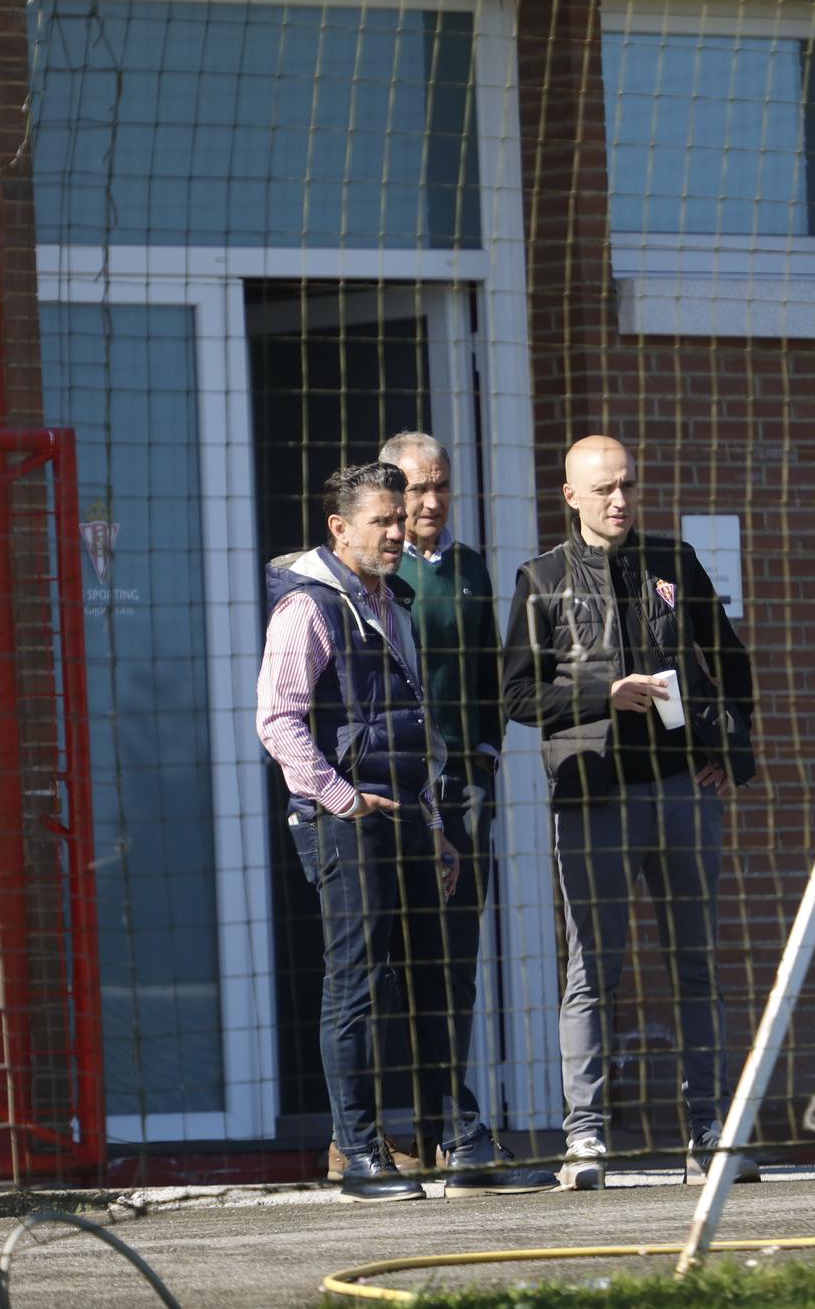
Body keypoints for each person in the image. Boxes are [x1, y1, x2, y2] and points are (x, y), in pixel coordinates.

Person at [258, 461, 554, 1202]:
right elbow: (278, 722)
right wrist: (341, 798)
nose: (398, 531)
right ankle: (358, 1152)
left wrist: (436, 827)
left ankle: (462, 1144)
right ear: (340, 528)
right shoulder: (309, 608)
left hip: (410, 821)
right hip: (345, 825)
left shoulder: (395, 602)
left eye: (400, 518)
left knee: (434, 981)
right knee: (354, 984)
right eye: (382, 521)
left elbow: (411, 728)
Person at [502, 435, 759, 1191]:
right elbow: (515, 695)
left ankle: (707, 1131)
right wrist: (598, 696)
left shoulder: (673, 563)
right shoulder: (541, 579)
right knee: (593, 970)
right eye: (604, 489)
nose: (620, 501)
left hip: (682, 793)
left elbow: (732, 657)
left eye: (628, 486)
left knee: (697, 964)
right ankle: (586, 1140)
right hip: (594, 798)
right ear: (570, 496)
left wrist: (729, 747)